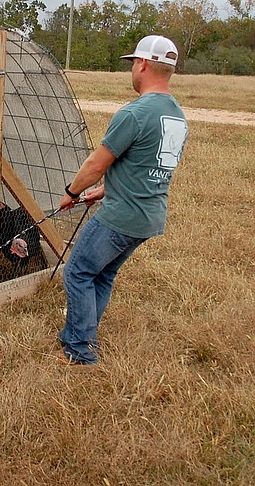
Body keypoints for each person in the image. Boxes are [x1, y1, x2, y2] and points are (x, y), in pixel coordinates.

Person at [57, 35, 189, 365]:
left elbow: (95, 164)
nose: (131, 70)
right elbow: (148, 165)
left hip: (122, 217)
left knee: (77, 272)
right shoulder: (177, 116)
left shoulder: (135, 113)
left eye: (133, 63)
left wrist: (71, 193)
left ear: (143, 64)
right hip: (149, 217)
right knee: (101, 274)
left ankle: (79, 349)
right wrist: (105, 189)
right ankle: (81, 333)